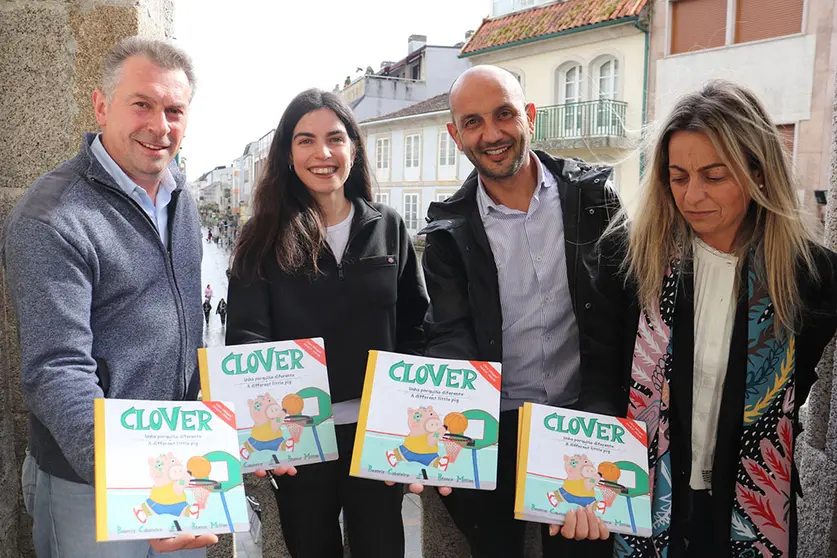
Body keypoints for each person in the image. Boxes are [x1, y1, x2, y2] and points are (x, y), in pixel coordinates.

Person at [586, 80, 837, 557]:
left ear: (759, 173)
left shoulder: (811, 276)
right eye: (678, 176)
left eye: (714, 176)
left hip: (748, 514)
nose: (692, 195)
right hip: (637, 504)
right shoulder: (629, 258)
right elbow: (599, 376)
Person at [2, 37, 212, 556]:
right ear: (101, 105)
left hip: (175, 465)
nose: (159, 126)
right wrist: (134, 483)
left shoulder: (181, 194)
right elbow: (57, 371)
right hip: (91, 483)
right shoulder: (50, 217)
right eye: (141, 104)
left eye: (174, 110)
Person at [418, 65, 618, 558]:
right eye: (473, 122)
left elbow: (624, 316)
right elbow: (451, 334)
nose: (492, 134)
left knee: (584, 552)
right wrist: (446, 421)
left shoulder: (594, 199)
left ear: (529, 116)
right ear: (455, 134)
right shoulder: (448, 231)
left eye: (504, 114)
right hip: (497, 428)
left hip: (583, 418)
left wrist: (605, 425)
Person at [226, 88, 428, 558]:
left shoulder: (389, 225)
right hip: (300, 437)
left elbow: (417, 326)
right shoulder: (261, 237)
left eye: (335, 139)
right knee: (311, 547)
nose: (322, 153)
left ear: (353, 150)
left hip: (376, 434)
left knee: (382, 548)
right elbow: (247, 339)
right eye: (305, 140)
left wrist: (411, 415)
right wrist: (264, 437)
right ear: (287, 154)